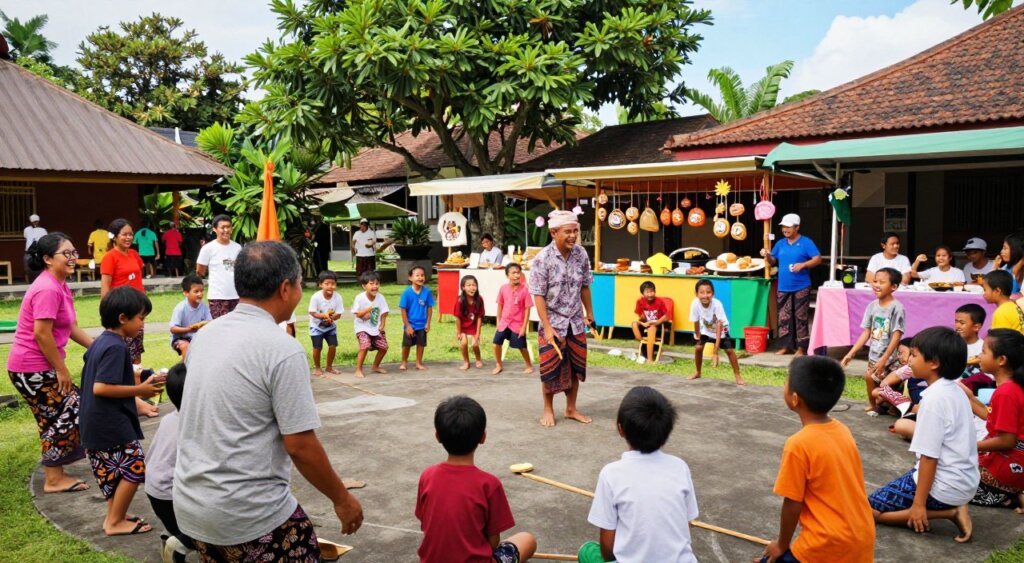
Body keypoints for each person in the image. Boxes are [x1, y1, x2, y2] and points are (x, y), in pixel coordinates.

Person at [175, 241, 363, 559]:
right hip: (246, 514)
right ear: (285, 288)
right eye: (301, 283)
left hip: (192, 505)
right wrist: (342, 499)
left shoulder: (205, 335)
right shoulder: (282, 349)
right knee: (302, 545)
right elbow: (300, 446)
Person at [759, 356, 874, 563]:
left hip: (826, 544)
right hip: (861, 537)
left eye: (786, 380)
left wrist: (781, 545)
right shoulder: (842, 430)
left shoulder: (798, 444)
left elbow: (792, 503)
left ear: (795, 399)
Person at [868, 327, 977, 544]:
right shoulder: (954, 390)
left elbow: (929, 457)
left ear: (934, 363)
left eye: (915, 355)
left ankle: (949, 512)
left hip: (945, 485)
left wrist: (918, 505)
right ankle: (948, 507)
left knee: (865, 510)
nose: (909, 361)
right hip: (965, 482)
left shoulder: (934, 400)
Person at [7, 233, 93, 494]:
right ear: (46, 259)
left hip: (37, 366)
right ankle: (54, 479)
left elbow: (71, 327)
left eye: (73, 252)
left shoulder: (60, 284)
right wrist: (61, 369)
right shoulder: (47, 288)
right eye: (65, 254)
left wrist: (102, 347)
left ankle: (55, 473)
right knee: (68, 412)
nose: (72, 258)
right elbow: (41, 334)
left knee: (57, 415)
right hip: (31, 367)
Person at [578, 386, 698, 563]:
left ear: (620, 429)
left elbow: (608, 548)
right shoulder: (680, 467)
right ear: (667, 431)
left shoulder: (611, 474)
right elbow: (686, 523)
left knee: (587, 552)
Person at [80, 286, 162, 536]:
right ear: (123, 318)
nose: (143, 324)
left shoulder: (102, 342)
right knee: (135, 466)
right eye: (141, 318)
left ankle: (114, 516)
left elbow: (96, 369)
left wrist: (135, 374)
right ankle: (115, 522)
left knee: (112, 471)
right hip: (110, 423)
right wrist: (141, 390)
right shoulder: (117, 347)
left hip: (93, 423)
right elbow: (101, 387)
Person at [416, 395, 536, 563]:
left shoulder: (427, 476)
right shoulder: (489, 484)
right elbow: (493, 542)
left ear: (437, 436)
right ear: (483, 437)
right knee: (527, 539)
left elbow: (425, 524)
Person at [529, 210, 594, 427]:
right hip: (553, 322)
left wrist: (589, 314)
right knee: (550, 366)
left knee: (576, 365)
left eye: (576, 231)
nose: (573, 236)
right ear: (554, 232)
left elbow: (585, 285)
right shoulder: (542, 259)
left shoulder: (581, 254)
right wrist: (547, 327)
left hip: (575, 320)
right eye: (568, 231)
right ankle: (548, 409)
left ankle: (571, 408)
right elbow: (537, 294)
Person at [144, 363, 196, 562]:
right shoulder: (193, 425)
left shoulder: (169, 418)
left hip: (155, 490)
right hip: (172, 496)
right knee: (219, 528)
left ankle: (176, 537)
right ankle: (182, 542)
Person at [100, 219, 151, 414]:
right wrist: (108, 314)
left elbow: (138, 280)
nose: (129, 237)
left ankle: (135, 397)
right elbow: (105, 288)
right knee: (123, 355)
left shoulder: (135, 255)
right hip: (122, 314)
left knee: (135, 354)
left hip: (137, 311)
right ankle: (129, 399)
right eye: (124, 234)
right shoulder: (109, 257)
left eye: (131, 234)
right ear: (114, 237)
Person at [969, 329, 1024, 509]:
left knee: (949, 482)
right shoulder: (1010, 388)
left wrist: (967, 446)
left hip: (1011, 462)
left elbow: (1006, 440)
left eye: (984, 351)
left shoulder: (1006, 392)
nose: (979, 355)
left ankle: (1009, 495)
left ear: (1001, 360)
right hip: (1013, 458)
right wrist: (969, 398)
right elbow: (995, 419)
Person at [842, 268, 905, 415]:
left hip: (890, 359)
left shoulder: (897, 308)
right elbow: (867, 332)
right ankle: (873, 405)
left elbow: (897, 336)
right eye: (875, 281)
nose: (876, 285)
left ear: (893, 287)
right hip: (874, 354)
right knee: (869, 378)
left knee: (889, 391)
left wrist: (884, 359)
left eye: (882, 282)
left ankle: (890, 404)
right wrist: (851, 353)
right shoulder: (872, 306)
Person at [761, 213, 822, 356]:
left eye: (789, 227)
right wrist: (767, 256)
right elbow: (773, 261)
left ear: (797, 227)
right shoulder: (780, 243)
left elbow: (817, 259)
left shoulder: (806, 242)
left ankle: (802, 348)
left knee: (800, 316)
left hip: (801, 285)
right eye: (783, 227)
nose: (785, 230)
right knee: (783, 317)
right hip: (783, 286)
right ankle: (785, 346)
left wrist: (804, 265)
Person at [687, 280, 744, 385]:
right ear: (696, 294)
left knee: (729, 351)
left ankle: (737, 375)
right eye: (701, 292)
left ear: (713, 293)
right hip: (707, 330)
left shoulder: (717, 305)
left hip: (721, 330)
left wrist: (715, 352)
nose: (705, 295)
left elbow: (719, 326)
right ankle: (698, 372)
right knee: (698, 348)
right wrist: (697, 334)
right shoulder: (695, 303)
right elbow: (695, 320)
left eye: (708, 292)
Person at [196, 214, 241, 318]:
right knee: (220, 328)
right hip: (218, 297)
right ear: (215, 229)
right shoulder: (208, 248)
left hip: (236, 296)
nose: (226, 230)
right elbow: (200, 271)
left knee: (236, 328)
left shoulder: (237, 247)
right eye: (222, 227)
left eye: (228, 227)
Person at [492, 263, 533, 375]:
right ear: (507, 275)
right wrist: (498, 322)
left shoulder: (525, 290)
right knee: (496, 343)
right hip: (504, 323)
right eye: (513, 273)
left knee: (522, 347)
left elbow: (527, 309)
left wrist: (524, 327)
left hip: (517, 325)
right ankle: (499, 364)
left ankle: (529, 365)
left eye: (518, 273)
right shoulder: (503, 288)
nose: (516, 275)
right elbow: (500, 305)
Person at [351, 270, 389, 378]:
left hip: (375, 328)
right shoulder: (360, 298)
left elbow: (384, 312)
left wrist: (382, 325)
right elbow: (357, 314)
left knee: (384, 347)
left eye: (377, 283)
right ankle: (358, 369)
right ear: (364, 286)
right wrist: (368, 310)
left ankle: (375, 366)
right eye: (371, 284)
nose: (375, 286)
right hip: (362, 327)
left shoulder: (381, 297)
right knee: (364, 346)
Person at [168, 275, 212, 359]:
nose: (200, 294)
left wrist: (202, 325)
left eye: (202, 291)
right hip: (180, 338)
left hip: (197, 337)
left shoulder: (204, 307)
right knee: (186, 347)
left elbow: (209, 322)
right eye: (196, 291)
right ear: (186, 293)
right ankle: (185, 370)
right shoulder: (180, 308)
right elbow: (173, 328)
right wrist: (189, 329)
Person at [400, 266, 434, 371]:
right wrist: (408, 326)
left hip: (422, 324)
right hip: (410, 324)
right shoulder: (407, 293)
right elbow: (403, 310)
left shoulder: (427, 292)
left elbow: (429, 308)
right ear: (410, 278)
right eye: (417, 275)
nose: (420, 278)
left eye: (422, 275)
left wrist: (428, 323)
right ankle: (404, 362)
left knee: (421, 344)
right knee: (407, 345)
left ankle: (418, 363)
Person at [309, 270, 343, 377]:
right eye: (327, 284)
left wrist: (332, 318)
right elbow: (313, 312)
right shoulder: (316, 297)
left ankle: (329, 367)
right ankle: (317, 368)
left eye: (332, 284)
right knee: (317, 347)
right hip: (316, 327)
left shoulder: (337, 297)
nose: (330, 286)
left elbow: (339, 314)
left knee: (333, 346)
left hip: (330, 327)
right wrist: (324, 316)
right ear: (320, 284)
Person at [631, 281, 669, 364]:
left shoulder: (659, 301)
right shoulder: (640, 301)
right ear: (642, 293)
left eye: (652, 291)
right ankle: (643, 343)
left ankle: (650, 359)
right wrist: (644, 323)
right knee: (634, 324)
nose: (650, 294)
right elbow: (640, 315)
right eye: (647, 292)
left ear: (655, 291)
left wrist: (657, 322)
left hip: (657, 324)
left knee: (651, 329)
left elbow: (666, 316)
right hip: (646, 323)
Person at [956, 303, 991, 395]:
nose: (958, 326)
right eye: (956, 321)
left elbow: (989, 376)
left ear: (976, 327)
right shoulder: (952, 345)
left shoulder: (983, 348)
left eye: (962, 323)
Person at [455, 275, 485, 370]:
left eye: (474, 285)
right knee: (463, 343)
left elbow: (480, 317)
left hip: (474, 326)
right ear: (463, 287)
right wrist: (458, 332)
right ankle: (466, 361)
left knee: (475, 344)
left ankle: (478, 359)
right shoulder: (460, 300)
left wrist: (478, 333)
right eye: (468, 285)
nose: (472, 287)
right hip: (463, 326)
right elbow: (458, 318)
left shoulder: (479, 299)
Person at [984, 270, 1024, 334]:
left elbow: (1000, 340)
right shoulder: (1014, 306)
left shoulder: (1001, 312)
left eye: (985, 289)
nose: (984, 293)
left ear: (997, 291)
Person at [23, 213, 48, 282]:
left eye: (35, 221)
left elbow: (25, 237)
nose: (35, 223)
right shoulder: (42, 230)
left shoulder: (41, 230)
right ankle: (32, 280)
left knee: (33, 267)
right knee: (31, 267)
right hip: (34, 251)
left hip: (34, 251)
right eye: (34, 221)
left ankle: (34, 280)